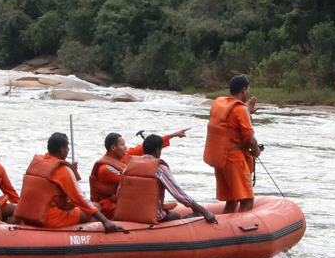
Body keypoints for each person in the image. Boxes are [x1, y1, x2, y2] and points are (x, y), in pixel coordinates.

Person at [18, 131, 124, 232]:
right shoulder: (62, 170)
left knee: (90, 206)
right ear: (62, 150)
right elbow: (80, 198)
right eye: (67, 147)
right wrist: (104, 220)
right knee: (96, 207)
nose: (69, 150)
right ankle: (84, 238)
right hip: (50, 217)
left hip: (33, 214)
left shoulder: (40, 163)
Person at [114, 134, 219, 225]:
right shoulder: (160, 168)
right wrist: (204, 212)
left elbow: (120, 191)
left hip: (128, 214)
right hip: (151, 216)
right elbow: (178, 194)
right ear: (157, 150)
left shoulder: (129, 166)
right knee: (175, 215)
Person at [92, 128, 193, 216]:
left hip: (124, 200)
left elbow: (144, 147)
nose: (126, 147)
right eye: (122, 145)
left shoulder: (124, 156)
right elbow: (133, 182)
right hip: (110, 205)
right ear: (113, 148)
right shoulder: (106, 168)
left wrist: (172, 135)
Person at [203, 74, 261, 214]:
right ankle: (241, 234)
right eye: (248, 89)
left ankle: (222, 231)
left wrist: (248, 112)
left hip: (221, 159)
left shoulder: (221, 105)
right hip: (234, 160)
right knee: (247, 201)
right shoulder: (240, 110)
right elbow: (249, 138)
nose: (248, 92)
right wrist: (256, 150)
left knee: (231, 201)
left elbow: (231, 126)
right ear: (244, 90)